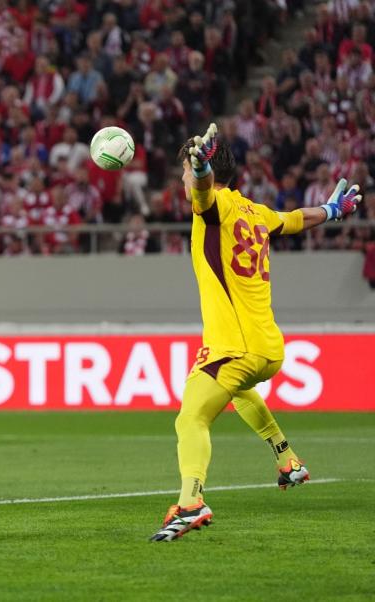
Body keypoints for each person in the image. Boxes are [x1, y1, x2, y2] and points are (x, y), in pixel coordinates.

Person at [150, 125, 363, 541]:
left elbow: (204, 193)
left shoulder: (215, 207)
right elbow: (298, 219)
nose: (183, 180)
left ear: (202, 174)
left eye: (185, 172)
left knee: (191, 418)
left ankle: (191, 503)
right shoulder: (255, 211)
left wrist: (201, 169)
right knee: (235, 390)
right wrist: (333, 210)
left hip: (235, 347)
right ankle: (288, 460)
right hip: (267, 348)